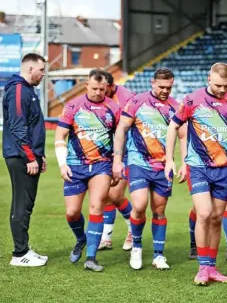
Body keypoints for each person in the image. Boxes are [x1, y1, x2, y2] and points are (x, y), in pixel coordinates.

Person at [165, 63, 227, 285]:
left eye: (226, 86)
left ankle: (212, 267)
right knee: (204, 213)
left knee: (217, 217)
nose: (222, 90)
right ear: (209, 79)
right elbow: (172, 127)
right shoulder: (192, 100)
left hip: (223, 168)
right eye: (218, 85)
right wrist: (170, 159)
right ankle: (202, 268)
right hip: (198, 167)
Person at [111, 68, 178, 270]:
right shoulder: (137, 101)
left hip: (163, 166)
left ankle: (158, 255)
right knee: (139, 206)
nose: (165, 91)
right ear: (152, 83)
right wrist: (117, 159)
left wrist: (180, 162)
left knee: (159, 210)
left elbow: (183, 135)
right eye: (161, 87)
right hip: (138, 163)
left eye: (169, 87)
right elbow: (121, 129)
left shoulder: (175, 106)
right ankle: (137, 247)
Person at [55, 69, 121, 272]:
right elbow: (60, 136)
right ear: (86, 86)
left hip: (102, 165)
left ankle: (91, 258)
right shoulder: (73, 106)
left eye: (102, 89)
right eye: (94, 88)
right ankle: (81, 239)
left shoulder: (114, 108)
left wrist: (118, 162)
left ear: (107, 88)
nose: (98, 93)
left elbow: (120, 138)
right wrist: (62, 163)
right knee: (72, 212)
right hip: (76, 165)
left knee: (96, 207)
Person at [3, 53, 48, 267]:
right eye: (41, 70)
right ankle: (19, 253)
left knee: (26, 203)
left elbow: (32, 126)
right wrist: (30, 157)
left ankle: (24, 248)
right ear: (30, 69)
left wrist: (40, 156)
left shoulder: (28, 90)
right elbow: (18, 127)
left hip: (29, 155)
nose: (43, 75)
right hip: (21, 157)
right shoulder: (19, 90)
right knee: (22, 203)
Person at [99, 72, 135, 251]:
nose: (100, 93)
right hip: (106, 153)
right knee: (105, 195)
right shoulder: (99, 99)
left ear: (112, 86)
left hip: (127, 153)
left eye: (104, 90)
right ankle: (106, 238)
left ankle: (132, 230)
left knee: (115, 195)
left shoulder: (127, 98)